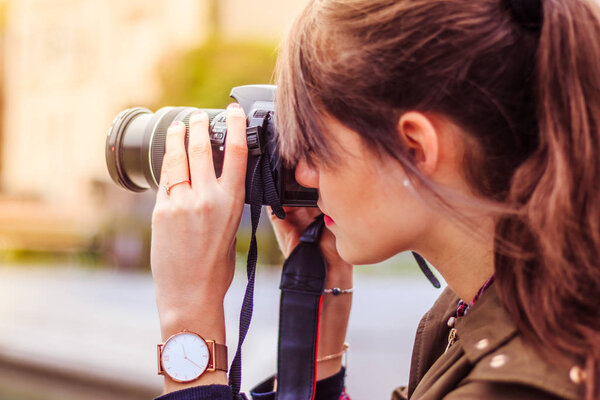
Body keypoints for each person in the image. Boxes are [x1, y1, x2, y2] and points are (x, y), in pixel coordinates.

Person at [149, 0, 600, 399]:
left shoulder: (516, 384)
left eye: (317, 145)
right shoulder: (488, 313)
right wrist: (318, 332)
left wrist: (190, 328)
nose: (303, 173)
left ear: (413, 149)